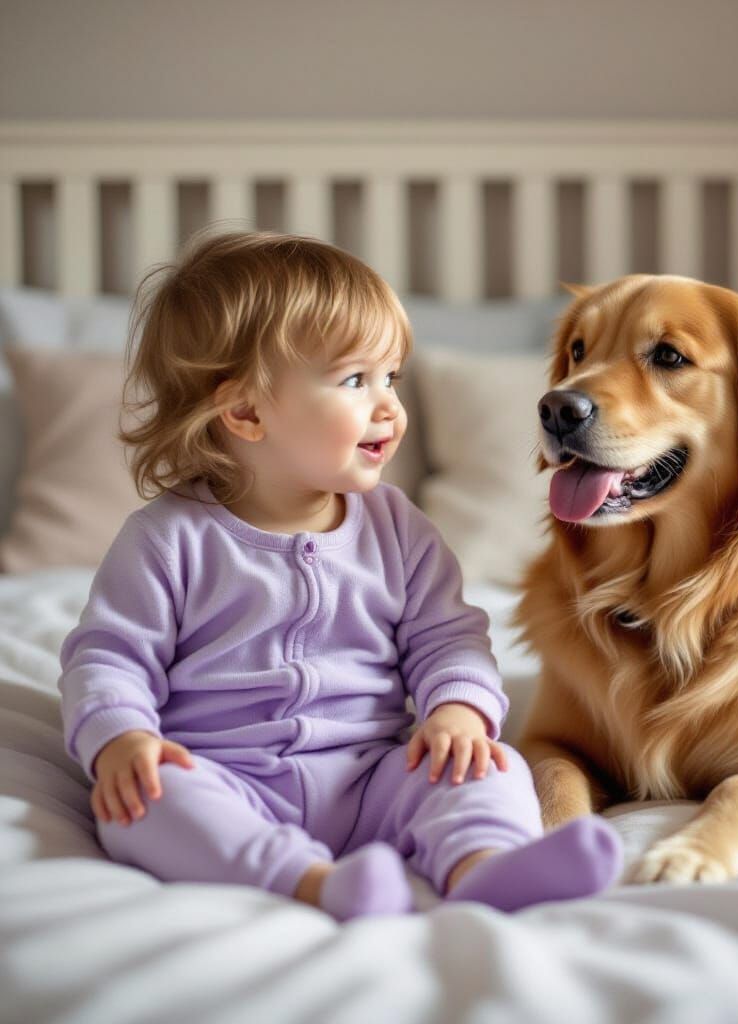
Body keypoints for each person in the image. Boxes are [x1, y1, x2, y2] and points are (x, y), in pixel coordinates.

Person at [58, 231, 623, 922]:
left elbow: (450, 639)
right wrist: (122, 740)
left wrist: (457, 711)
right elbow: (108, 658)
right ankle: (312, 882)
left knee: (492, 764)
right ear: (244, 412)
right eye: (357, 379)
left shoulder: (399, 530)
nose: (389, 405)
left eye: (393, 377)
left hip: (373, 775)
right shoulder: (168, 540)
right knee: (140, 806)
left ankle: (484, 865)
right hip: (229, 780)